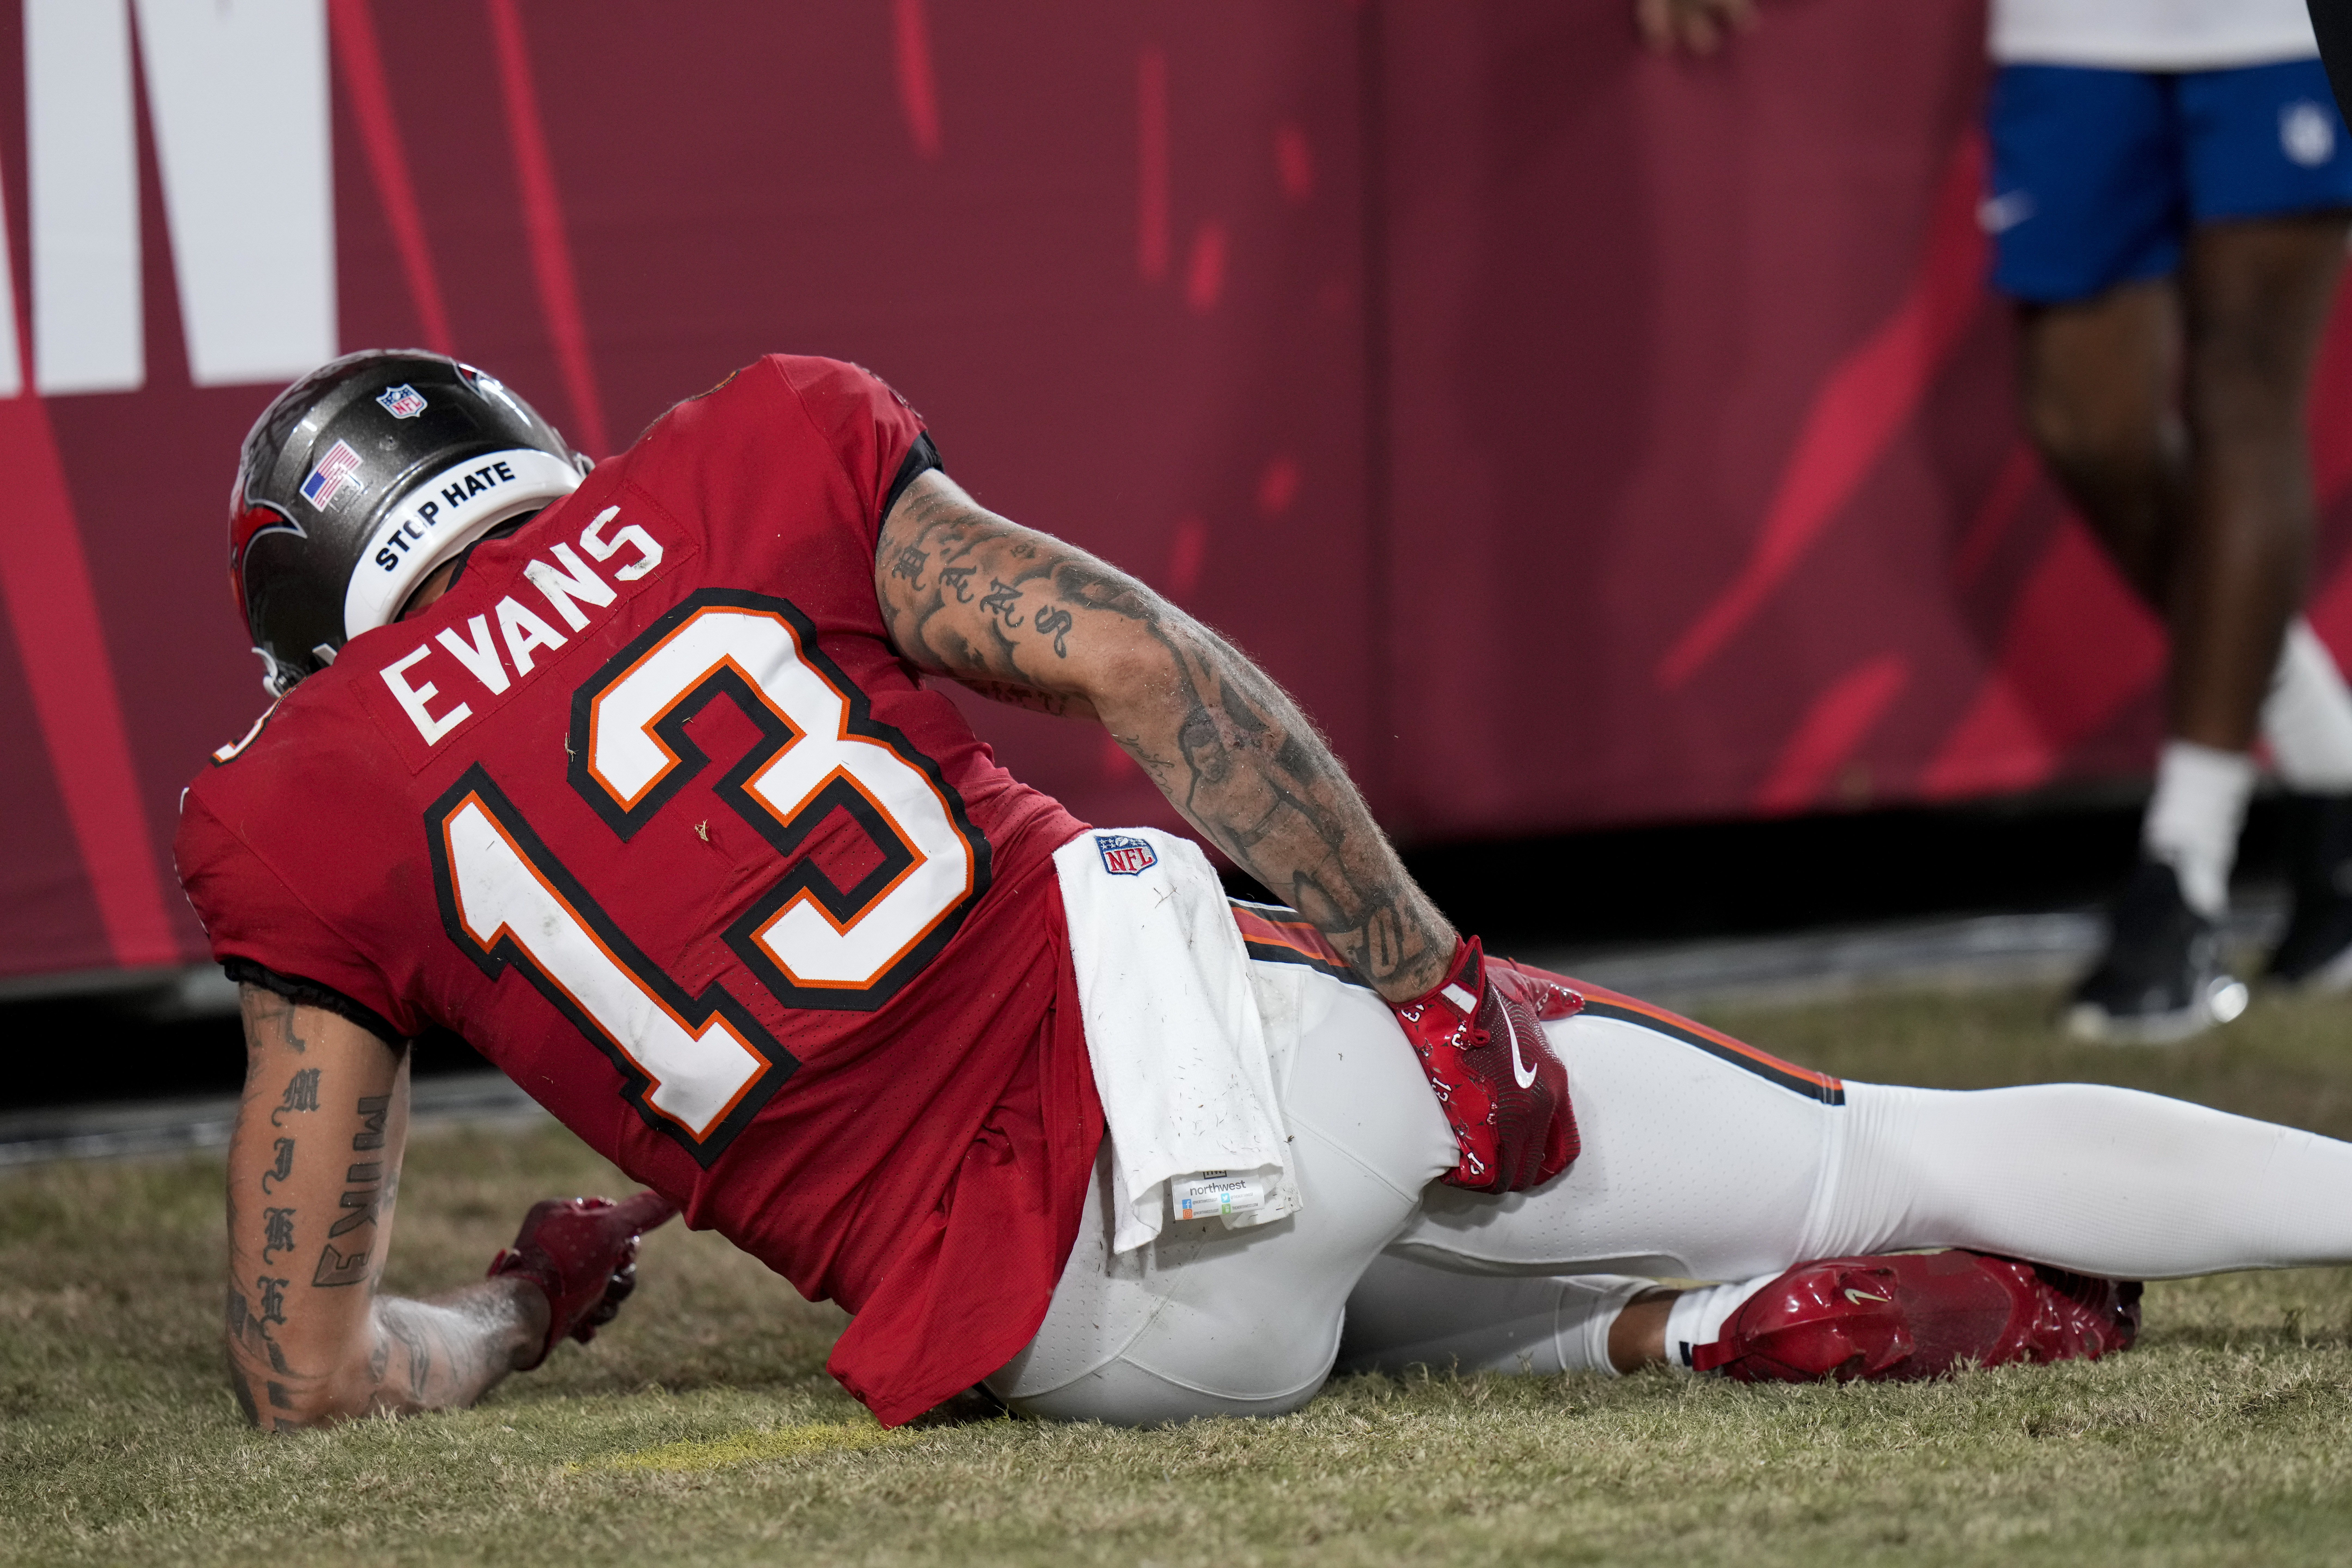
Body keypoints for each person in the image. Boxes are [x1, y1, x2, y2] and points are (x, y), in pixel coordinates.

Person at [184, 351, 2352, 1431]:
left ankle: (1681, 1336)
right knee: (1892, 1148)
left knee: (1353, 1325)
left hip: (1066, 1331)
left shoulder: (304, 806)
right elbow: (1142, 664)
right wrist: (1436, 986)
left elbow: (300, 1366)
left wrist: (524, 1306)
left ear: (314, 617)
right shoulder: (752, 447)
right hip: (1232, 1067)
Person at [1642, 0, 2352, 1042]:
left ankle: (2184, 872)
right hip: (2075, 27)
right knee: (2084, 424)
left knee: (2245, 402)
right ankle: (2330, 758)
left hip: (2279, 29)